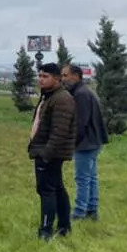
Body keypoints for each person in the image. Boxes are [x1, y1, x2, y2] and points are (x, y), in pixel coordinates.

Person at [29, 63, 76, 240]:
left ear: (56, 78)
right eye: (39, 75)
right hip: (44, 150)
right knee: (56, 187)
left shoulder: (62, 99)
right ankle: (64, 226)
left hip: (49, 153)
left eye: (45, 76)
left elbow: (60, 131)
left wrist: (46, 154)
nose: (41, 79)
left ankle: (46, 229)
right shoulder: (48, 96)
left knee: (46, 190)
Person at [61, 64, 108, 221]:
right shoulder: (86, 91)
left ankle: (80, 212)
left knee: (82, 179)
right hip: (94, 141)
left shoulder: (80, 94)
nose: (63, 79)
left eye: (65, 75)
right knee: (91, 177)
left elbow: (80, 123)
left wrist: (72, 142)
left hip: (86, 143)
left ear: (76, 76)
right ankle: (92, 210)